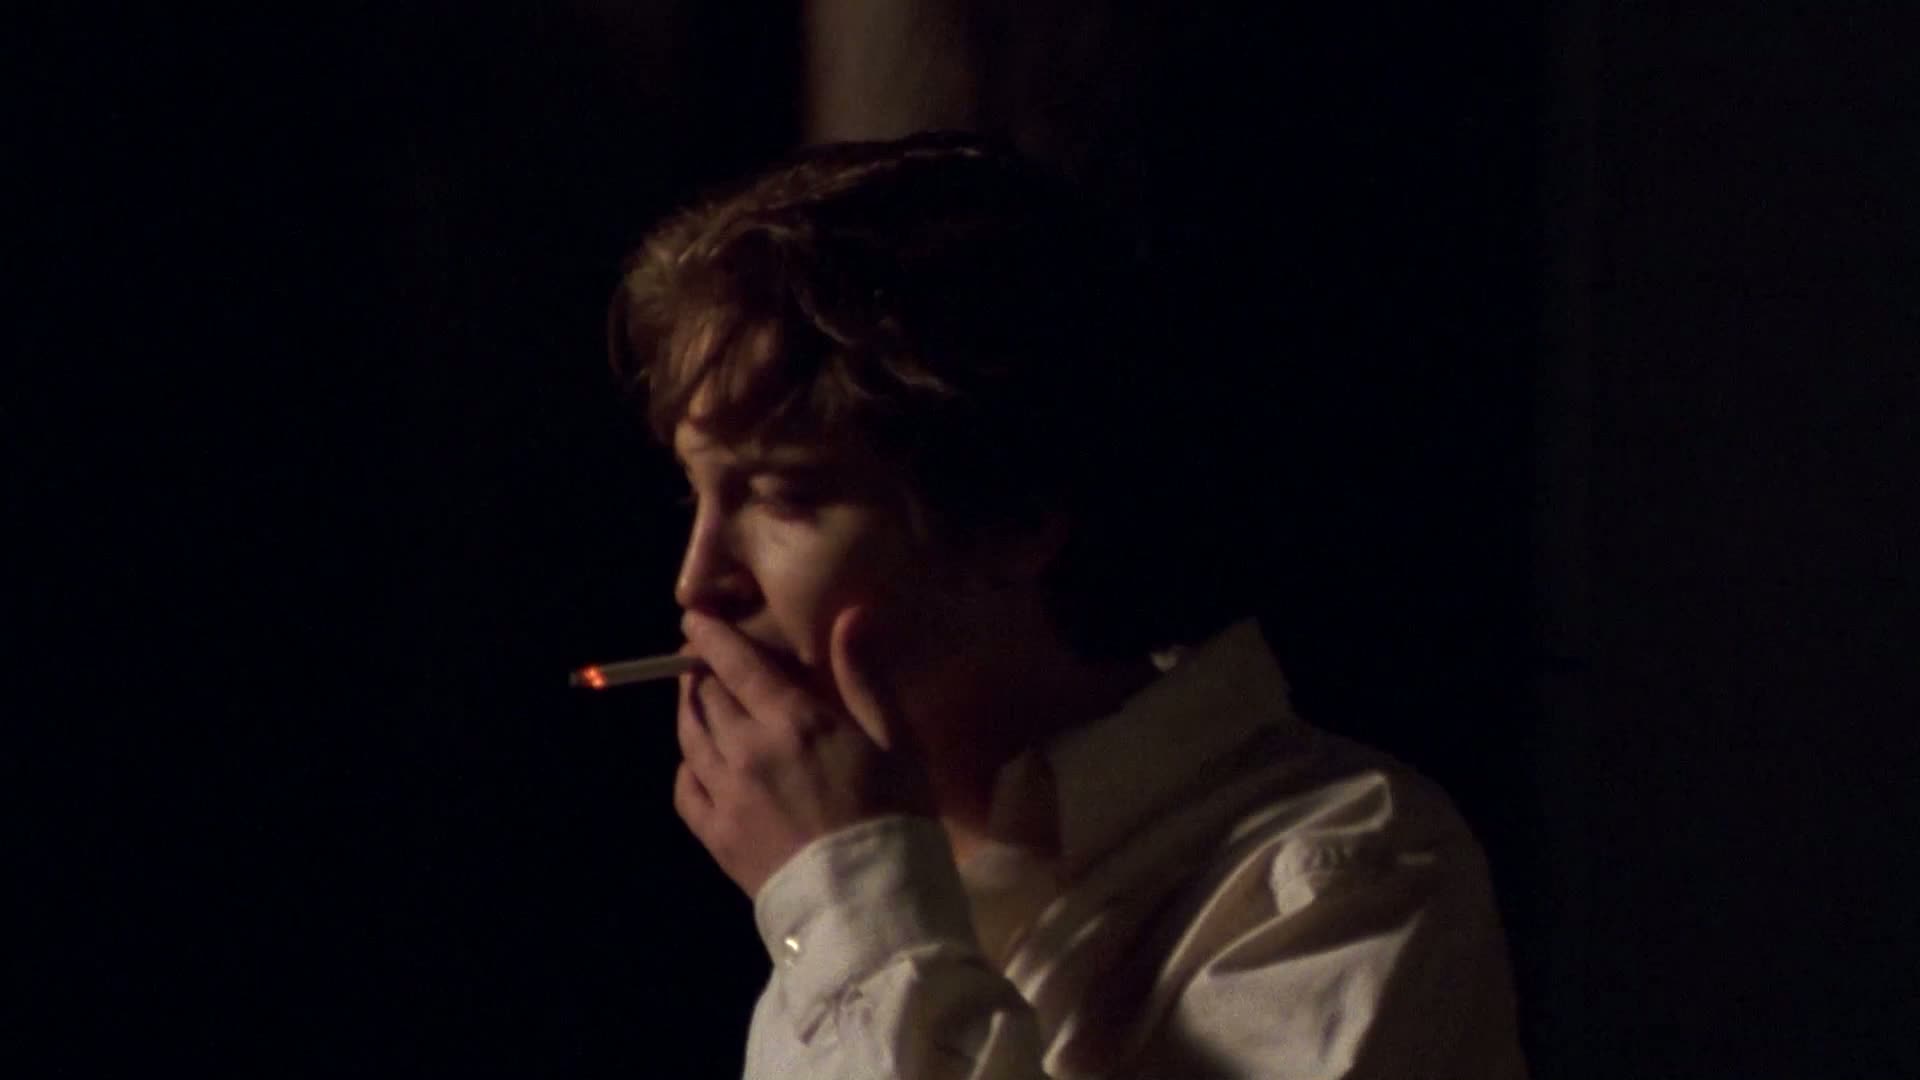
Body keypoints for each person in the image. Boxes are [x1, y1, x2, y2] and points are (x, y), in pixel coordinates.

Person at [607, 132, 1528, 1079]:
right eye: (696, 492)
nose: (697, 582)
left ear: (1015, 516)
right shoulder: (848, 886)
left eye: (784, 496)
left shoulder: (1340, 879)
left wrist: (848, 902)